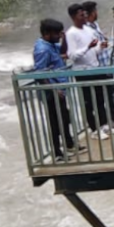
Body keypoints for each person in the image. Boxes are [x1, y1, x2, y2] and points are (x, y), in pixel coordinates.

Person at [33, 18, 79, 161]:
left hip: (59, 88)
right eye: (57, 33)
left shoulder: (51, 44)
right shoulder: (42, 49)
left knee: (64, 118)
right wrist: (54, 89)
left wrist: (64, 38)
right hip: (50, 92)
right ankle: (57, 153)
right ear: (47, 33)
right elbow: (39, 73)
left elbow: (64, 51)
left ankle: (69, 144)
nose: (59, 35)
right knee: (55, 122)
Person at [65, 2, 112, 140]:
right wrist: (87, 47)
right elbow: (72, 55)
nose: (84, 16)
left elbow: (94, 50)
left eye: (85, 13)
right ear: (74, 17)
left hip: (95, 67)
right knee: (88, 101)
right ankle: (94, 129)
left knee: (99, 98)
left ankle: (103, 124)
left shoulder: (89, 30)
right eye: (81, 14)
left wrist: (101, 47)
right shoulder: (71, 33)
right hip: (82, 71)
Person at [83, 1, 114, 132]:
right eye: (95, 11)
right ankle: (100, 125)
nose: (97, 13)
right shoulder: (86, 29)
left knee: (108, 94)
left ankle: (110, 119)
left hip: (105, 65)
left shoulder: (95, 26)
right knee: (97, 97)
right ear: (89, 13)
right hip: (96, 67)